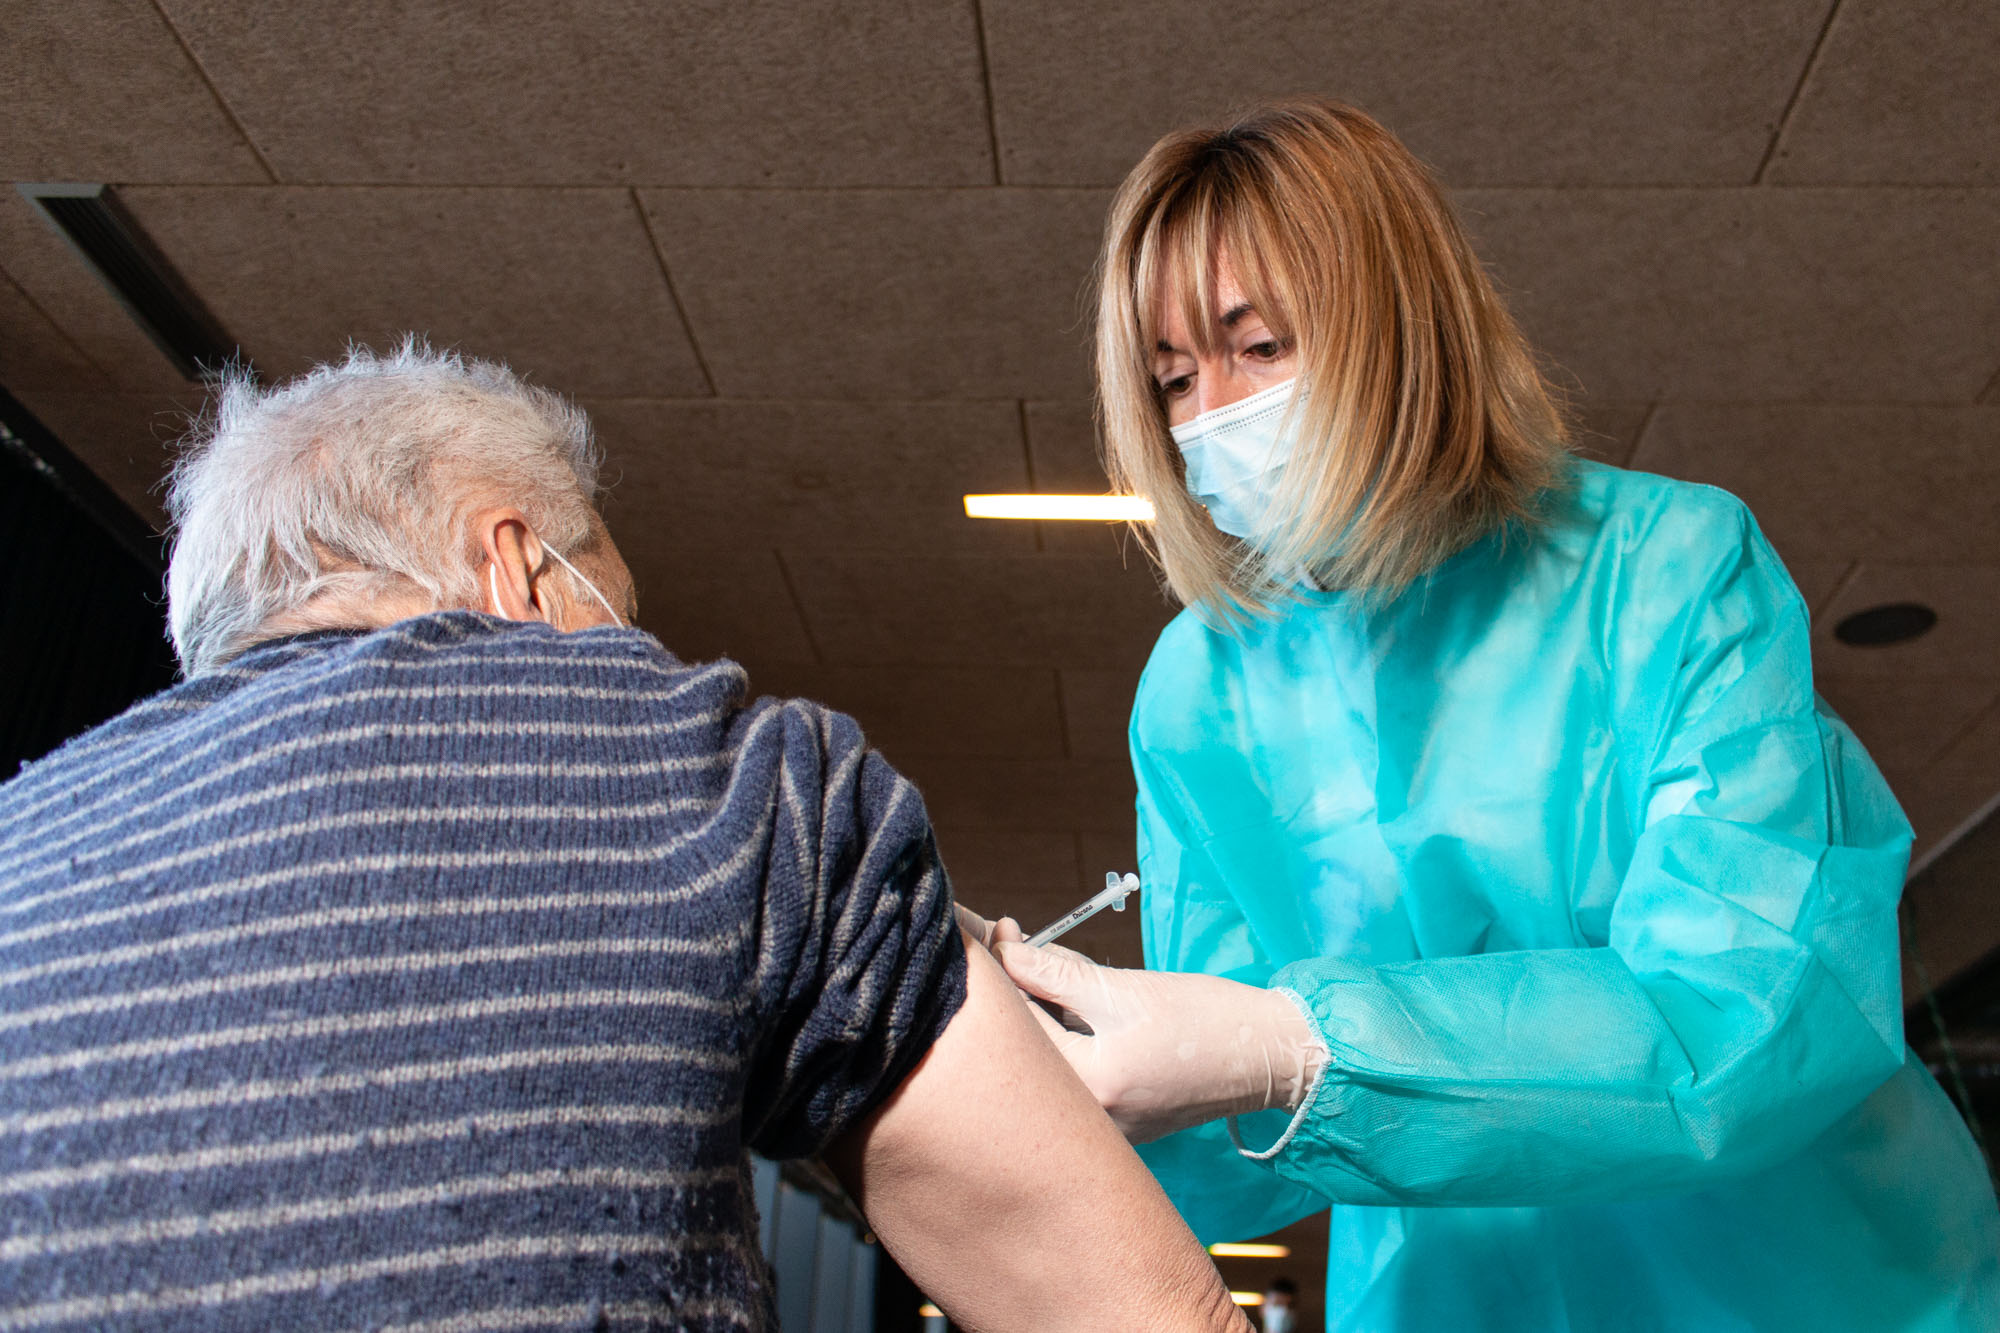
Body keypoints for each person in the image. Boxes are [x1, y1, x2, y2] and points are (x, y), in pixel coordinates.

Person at [973, 99, 2000, 1330]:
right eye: (1174, 378)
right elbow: (1241, 1142)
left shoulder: (1668, 570)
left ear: (1398, 327)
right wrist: (1044, 1055)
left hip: (1806, 1283)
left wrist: (1303, 1045)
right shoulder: (1196, 689)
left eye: (1259, 347)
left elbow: (1745, 1018)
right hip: (1453, 1296)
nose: (1211, 419)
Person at [0, 342, 1250, 1333]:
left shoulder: (24, 838)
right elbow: (1143, 1315)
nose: (643, 663)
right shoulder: (734, 775)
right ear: (516, 565)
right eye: (623, 614)